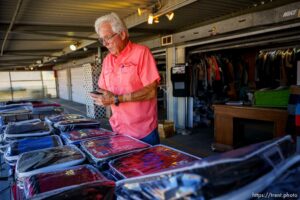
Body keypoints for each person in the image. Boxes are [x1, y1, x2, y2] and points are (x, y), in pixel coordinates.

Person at [91, 12, 161, 145]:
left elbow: (151, 91)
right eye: (101, 39)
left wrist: (117, 99)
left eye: (108, 38)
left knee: (148, 166)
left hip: (143, 132)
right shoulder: (107, 60)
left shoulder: (141, 53)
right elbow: (103, 88)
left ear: (122, 34)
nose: (105, 43)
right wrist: (101, 96)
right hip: (119, 130)